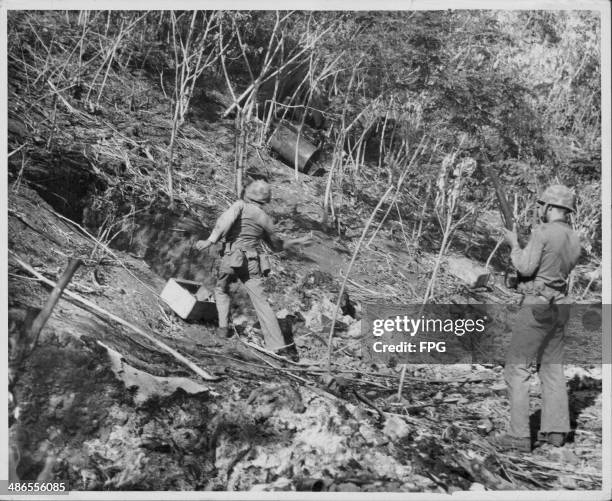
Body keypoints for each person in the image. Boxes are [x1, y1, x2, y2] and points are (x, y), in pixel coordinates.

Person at [497, 184, 581, 453]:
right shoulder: (574, 236)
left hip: (538, 306)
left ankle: (518, 436)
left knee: (517, 367)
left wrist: (513, 245)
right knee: (552, 368)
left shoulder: (543, 231)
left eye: (541, 205)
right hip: (561, 306)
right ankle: (556, 432)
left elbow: (525, 267)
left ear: (549, 207)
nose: (539, 209)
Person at [195, 180, 310, 358]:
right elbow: (277, 246)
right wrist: (296, 241)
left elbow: (224, 222)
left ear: (248, 193)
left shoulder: (240, 205)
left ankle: (223, 329)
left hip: (232, 258)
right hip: (252, 262)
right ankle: (277, 345)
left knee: (221, 289)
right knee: (262, 302)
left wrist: (210, 240)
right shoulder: (265, 218)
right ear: (266, 198)